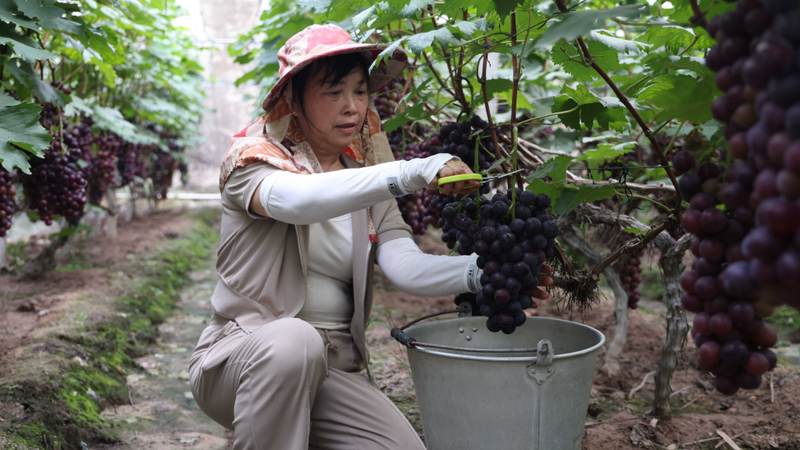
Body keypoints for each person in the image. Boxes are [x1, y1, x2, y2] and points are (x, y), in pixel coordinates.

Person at [189, 24, 552, 450]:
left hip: (329, 370)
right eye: (333, 92)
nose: (351, 107)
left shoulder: (363, 179)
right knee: (294, 340)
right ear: (295, 97)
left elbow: (404, 264)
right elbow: (300, 201)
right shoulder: (253, 162)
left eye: (360, 92)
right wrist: (411, 171)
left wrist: (486, 273)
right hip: (243, 357)